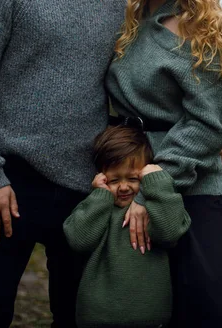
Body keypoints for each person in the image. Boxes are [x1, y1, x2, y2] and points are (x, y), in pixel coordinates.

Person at [0, 0, 126, 326]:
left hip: (86, 190)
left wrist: (201, 129)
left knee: (81, 318)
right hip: (8, 184)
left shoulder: (120, 5)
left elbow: (140, 79)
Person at [105, 0, 222, 327]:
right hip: (127, 178)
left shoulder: (208, 27)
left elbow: (205, 124)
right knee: (139, 312)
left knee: (209, 311)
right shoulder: (129, 18)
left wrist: (152, 192)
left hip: (192, 187)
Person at [63, 125, 191, 328]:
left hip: (152, 319)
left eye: (133, 178)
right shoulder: (98, 207)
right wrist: (100, 195)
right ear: (101, 177)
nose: (123, 187)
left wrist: (157, 183)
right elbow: (78, 240)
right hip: (98, 318)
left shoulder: (154, 209)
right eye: (114, 180)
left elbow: (171, 232)